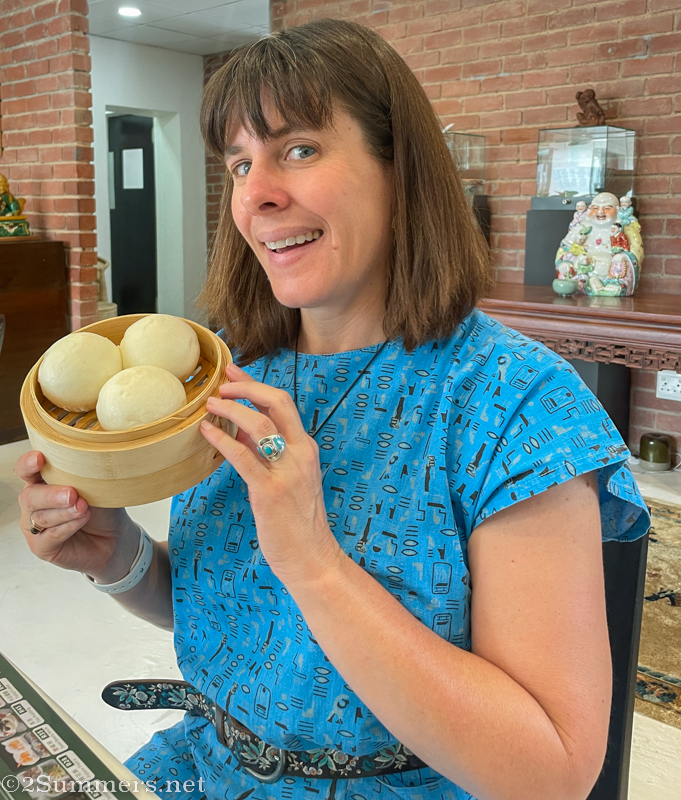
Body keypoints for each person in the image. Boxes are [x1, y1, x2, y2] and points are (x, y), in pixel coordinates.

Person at [16, 19, 649, 800]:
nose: (256, 193)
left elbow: (548, 772)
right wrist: (121, 563)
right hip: (203, 773)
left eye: (298, 150)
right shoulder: (225, 371)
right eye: (240, 163)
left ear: (399, 168)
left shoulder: (513, 405)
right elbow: (252, 632)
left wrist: (313, 560)